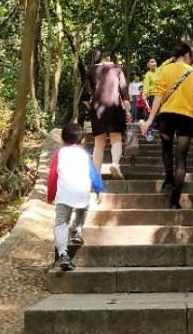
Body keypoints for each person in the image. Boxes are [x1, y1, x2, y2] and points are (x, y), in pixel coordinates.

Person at [140, 42, 193, 209]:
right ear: (187, 55)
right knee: (181, 158)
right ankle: (174, 198)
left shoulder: (165, 70)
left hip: (166, 116)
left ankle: (169, 177)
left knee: (166, 148)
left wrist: (149, 120)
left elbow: (159, 96)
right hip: (186, 117)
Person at [45, 122, 104, 272]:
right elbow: (93, 174)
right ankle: (77, 230)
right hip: (82, 193)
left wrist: (51, 195)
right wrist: (99, 189)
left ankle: (63, 254)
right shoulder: (84, 155)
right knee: (82, 209)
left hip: (64, 194)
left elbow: (53, 177)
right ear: (82, 140)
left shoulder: (59, 154)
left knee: (61, 223)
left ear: (62, 139)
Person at [88, 49, 130, 175]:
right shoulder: (117, 69)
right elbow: (124, 94)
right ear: (110, 57)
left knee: (99, 142)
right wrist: (127, 111)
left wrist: (92, 107)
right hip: (115, 107)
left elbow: (86, 95)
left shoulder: (91, 70)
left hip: (97, 109)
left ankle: (96, 172)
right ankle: (115, 164)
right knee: (116, 138)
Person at [141, 57, 160, 140]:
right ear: (148, 65)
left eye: (154, 61)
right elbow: (146, 86)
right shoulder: (148, 74)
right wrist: (145, 94)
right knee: (151, 115)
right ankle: (149, 132)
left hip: (161, 96)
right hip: (152, 96)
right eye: (151, 62)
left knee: (161, 115)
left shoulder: (160, 72)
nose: (153, 63)